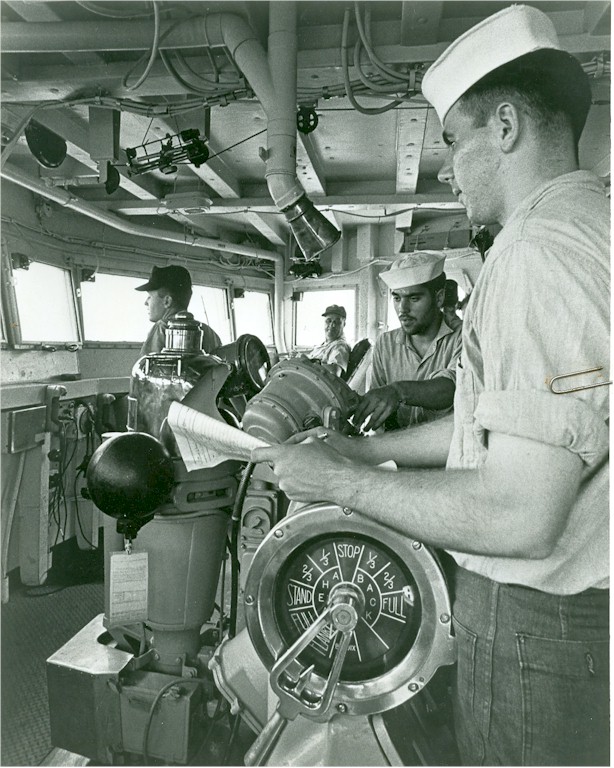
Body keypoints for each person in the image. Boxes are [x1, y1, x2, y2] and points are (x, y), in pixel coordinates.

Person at [252, 5, 609, 766]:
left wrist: (339, 483)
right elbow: (489, 429)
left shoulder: (534, 255)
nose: (446, 169)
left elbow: (521, 514)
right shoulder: (592, 226)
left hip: (536, 624)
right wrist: (358, 448)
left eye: (452, 140)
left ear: (505, 127)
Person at [354, 251, 462, 432]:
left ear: (439, 298)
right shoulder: (385, 343)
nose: (402, 309)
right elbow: (381, 406)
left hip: (447, 446)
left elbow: (453, 388)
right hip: (397, 444)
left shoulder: (464, 337)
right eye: (397, 298)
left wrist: (398, 391)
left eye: (414, 298)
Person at [135, 265, 221, 356]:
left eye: (149, 297)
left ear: (167, 301)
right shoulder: (209, 332)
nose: (146, 302)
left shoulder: (161, 328)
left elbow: (147, 364)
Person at [303, 304, 351, 377]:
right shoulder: (326, 344)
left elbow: (334, 372)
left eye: (337, 322)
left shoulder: (339, 346)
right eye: (328, 321)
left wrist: (308, 363)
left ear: (344, 324)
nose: (332, 325)